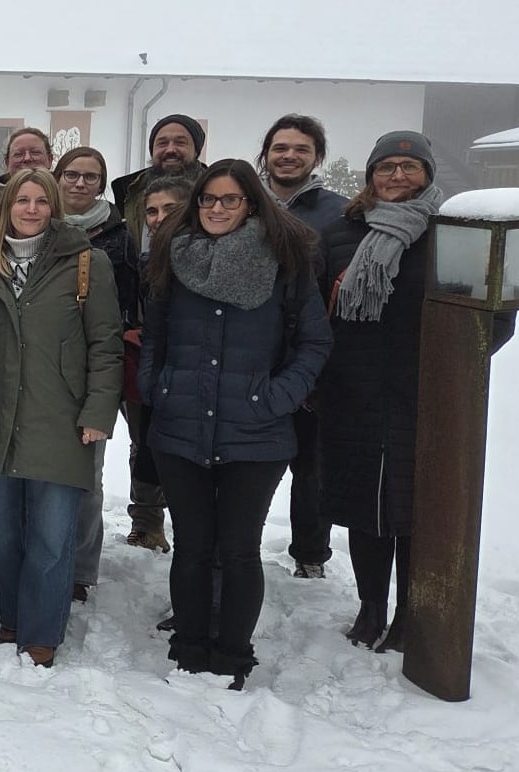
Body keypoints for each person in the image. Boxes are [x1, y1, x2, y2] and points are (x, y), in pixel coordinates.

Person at [138, 159, 332, 689]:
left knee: (240, 549)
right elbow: (154, 334)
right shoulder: (174, 255)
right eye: (208, 199)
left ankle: (232, 655)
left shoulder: (285, 261)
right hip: (180, 426)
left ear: (251, 203)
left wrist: (279, 396)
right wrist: (157, 385)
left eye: (230, 199)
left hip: (256, 432)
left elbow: (314, 342)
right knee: (193, 546)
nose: (217, 208)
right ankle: (189, 649)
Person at [317, 132, 511, 653]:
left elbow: (494, 317)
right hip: (353, 395)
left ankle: (409, 612)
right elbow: (312, 312)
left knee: (414, 510)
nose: (397, 176)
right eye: (386, 167)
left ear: (427, 175)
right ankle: (370, 607)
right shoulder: (340, 234)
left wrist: (453, 370)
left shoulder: (454, 236)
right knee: (364, 507)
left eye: (410, 167)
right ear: (370, 176)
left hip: (426, 397)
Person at [0, 169, 123, 666]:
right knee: (0, 533)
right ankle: (13, 617)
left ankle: (40, 633)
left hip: (61, 419)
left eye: (40, 201)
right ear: (5, 207)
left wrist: (98, 411)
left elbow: (106, 345)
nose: (31, 209)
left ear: (54, 207)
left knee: (52, 538)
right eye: (21, 200)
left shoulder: (86, 263)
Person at [256, 114, 349, 579]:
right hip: (253, 354)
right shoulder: (244, 203)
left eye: (300, 149)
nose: (289, 156)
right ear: (266, 154)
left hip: (312, 357)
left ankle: (310, 553)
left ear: (316, 158)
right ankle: (234, 550)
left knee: (310, 465)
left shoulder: (338, 213)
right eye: (280, 148)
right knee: (247, 465)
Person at [52, 147, 141, 602]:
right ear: (58, 178)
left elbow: (130, 298)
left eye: (91, 177)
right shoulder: (38, 225)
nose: (80, 183)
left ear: (102, 185)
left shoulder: (120, 236)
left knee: (87, 476)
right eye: (72, 174)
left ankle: (81, 568)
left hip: (95, 365)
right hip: (44, 365)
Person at [124, 176, 193, 554]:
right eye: (151, 210)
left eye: (170, 208)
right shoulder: (150, 263)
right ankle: (150, 524)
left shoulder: (213, 259)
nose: (159, 217)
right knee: (152, 452)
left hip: (201, 381)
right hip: (160, 377)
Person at [111, 114, 208, 248]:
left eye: (180, 142)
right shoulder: (128, 191)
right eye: (162, 143)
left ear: (196, 151)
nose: (170, 149)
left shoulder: (214, 190)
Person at [0, 127, 56, 230]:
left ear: (50, 160)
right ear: (7, 163)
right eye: (18, 154)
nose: (27, 158)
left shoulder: (67, 200)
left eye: (35, 152)